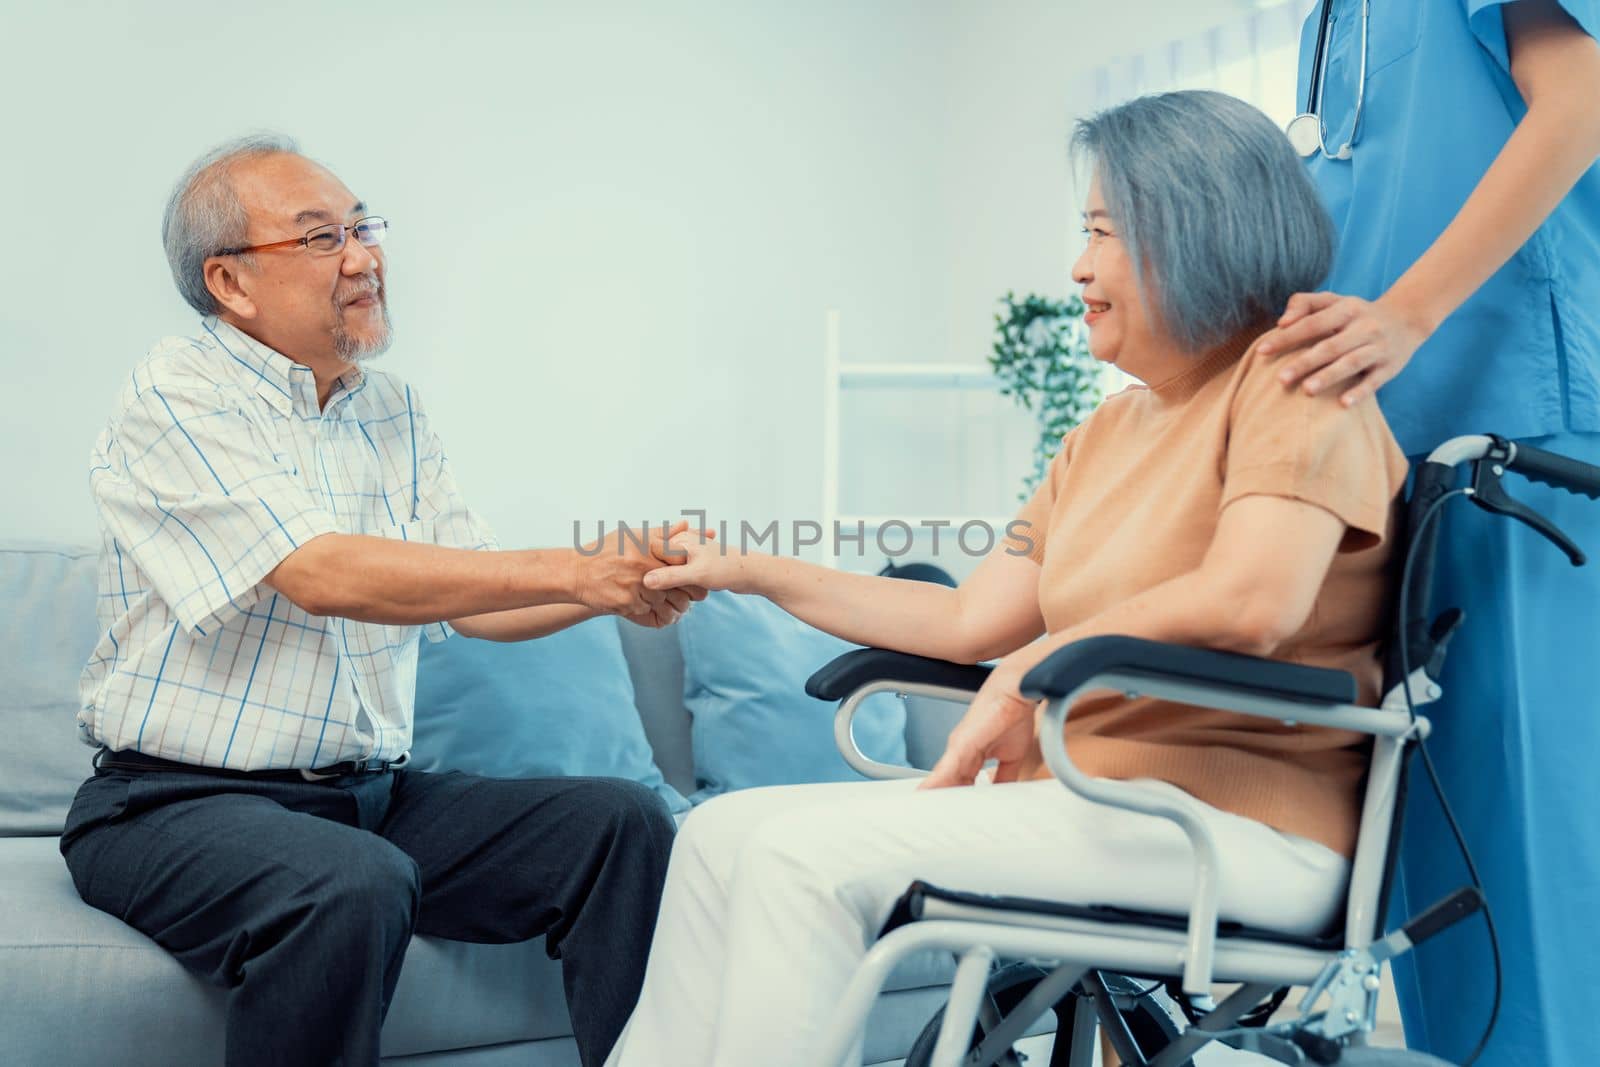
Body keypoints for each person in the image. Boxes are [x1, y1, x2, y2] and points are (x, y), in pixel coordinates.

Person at [599, 90, 1410, 1067]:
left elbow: (1255, 598)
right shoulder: (1106, 431)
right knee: (718, 835)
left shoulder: (1292, 384)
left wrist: (1040, 662)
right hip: (1092, 802)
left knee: (794, 860)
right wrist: (752, 569)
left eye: (1102, 232)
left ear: (1196, 231)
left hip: (1232, 826)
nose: (1078, 265)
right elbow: (966, 616)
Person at [61, 134, 702, 1067]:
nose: (365, 257)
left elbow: (477, 600)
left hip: (369, 797)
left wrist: (617, 589)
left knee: (623, 821)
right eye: (321, 237)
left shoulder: (392, 412)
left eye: (363, 225)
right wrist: (575, 569)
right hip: (168, 805)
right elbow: (320, 571)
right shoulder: (174, 391)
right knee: (350, 883)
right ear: (230, 283)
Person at [1254, 2, 1600, 1060]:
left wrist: (1401, 315)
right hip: (1384, 450)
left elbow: (1579, 103)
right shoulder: (1331, 20)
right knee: (1427, 850)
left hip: (1512, 425)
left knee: (1524, 833)